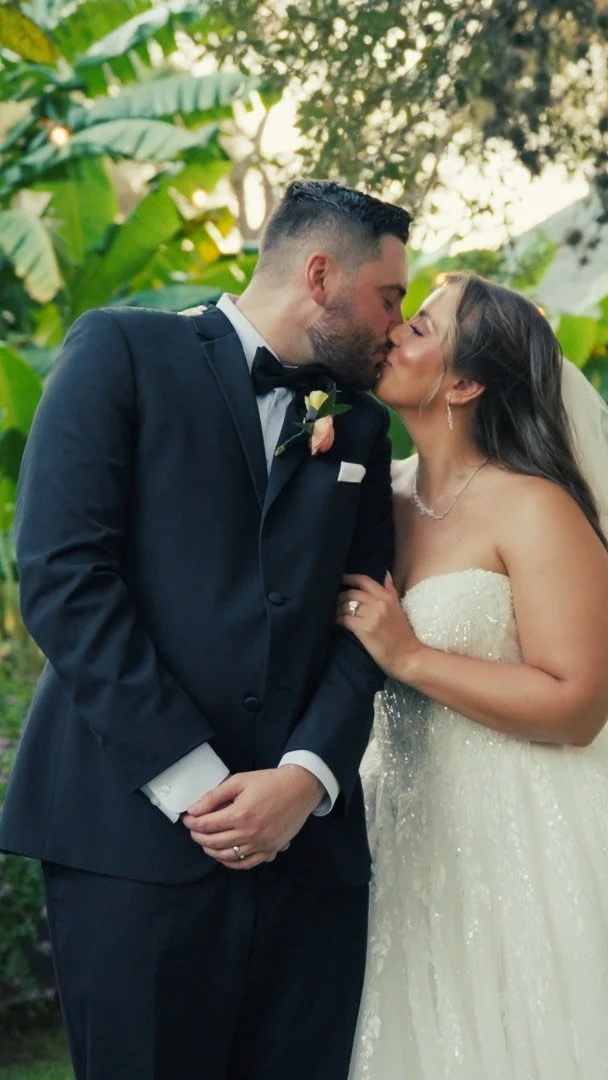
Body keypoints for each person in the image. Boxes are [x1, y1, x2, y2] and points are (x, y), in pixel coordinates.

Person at [0, 180, 410, 1080]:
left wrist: (304, 780)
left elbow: (367, 618)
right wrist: (197, 785)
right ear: (319, 276)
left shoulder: (363, 427)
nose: (396, 325)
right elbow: (65, 579)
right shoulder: (121, 351)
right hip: (130, 843)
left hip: (310, 861)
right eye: (389, 297)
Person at [338, 273, 608, 1079]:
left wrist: (411, 656)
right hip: (398, 828)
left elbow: (578, 704)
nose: (393, 332)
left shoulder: (533, 506)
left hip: (519, 831)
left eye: (420, 327)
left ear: (464, 384)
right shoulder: (372, 496)